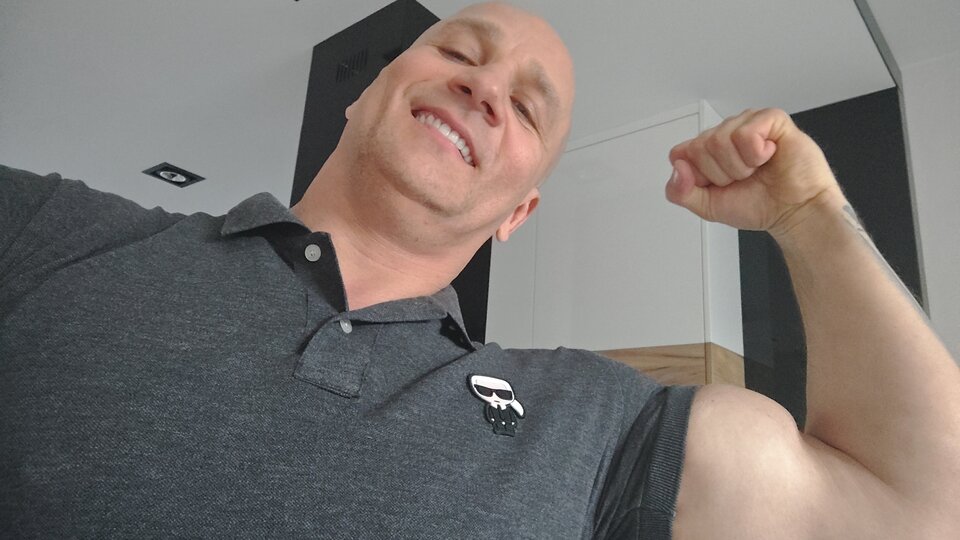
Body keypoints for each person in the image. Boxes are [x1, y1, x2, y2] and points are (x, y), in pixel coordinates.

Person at [1, 1, 958, 538]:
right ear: (368, 94)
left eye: (528, 109)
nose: (485, 88)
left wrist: (809, 217)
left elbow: (917, 509)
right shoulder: (56, 231)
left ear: (518, 214)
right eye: (460, 51)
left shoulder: (595, 427)